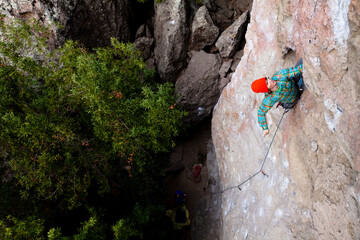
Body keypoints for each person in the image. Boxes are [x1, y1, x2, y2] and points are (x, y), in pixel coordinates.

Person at [251, 59, 303, 137]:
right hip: (292, 99)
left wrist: (306, 66)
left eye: (267, 79)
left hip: (294, 84)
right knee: (302, 86)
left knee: (300, 63)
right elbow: (261, 113)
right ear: (267, 90)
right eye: (267, 83)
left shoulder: (280, 75)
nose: (270, 80)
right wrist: (265, 128)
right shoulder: (270, 98)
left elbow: (297, 70)